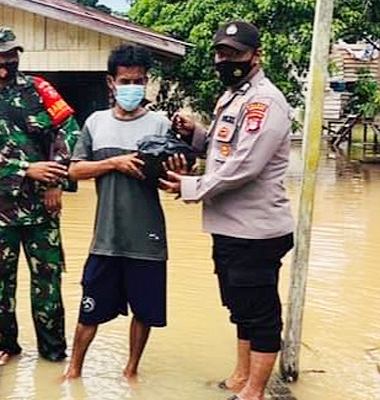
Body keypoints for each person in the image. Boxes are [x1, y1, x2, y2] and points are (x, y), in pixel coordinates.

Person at [160, 21, 295, 400]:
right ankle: (240, 376)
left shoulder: (264, 102)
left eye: (234, 54)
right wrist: (197, 134)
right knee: (240, 307)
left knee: (260, 313)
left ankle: (254, 391)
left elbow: (246, 166)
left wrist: (191, 187)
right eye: (221, 53)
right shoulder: (231, 97)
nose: (225, 60)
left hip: (256, 230)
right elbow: (225, 150)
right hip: (231, 227)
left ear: (256, 55)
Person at [0, 26, 80, 366]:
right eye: (3, 55)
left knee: (49, 282)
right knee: (1, 281)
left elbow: (68, 132)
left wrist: (56, 180)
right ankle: (5, 347)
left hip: (44, 206)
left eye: (14, 54)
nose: (10, 61)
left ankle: (54, 354)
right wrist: (26, 169)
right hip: (0, 211)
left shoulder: (41, 91)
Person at [63, 44, 171, 381]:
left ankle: (131, 371)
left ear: (146, 82)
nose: (131, 88)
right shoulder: (96, 123)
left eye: (138, 81)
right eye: (125, 81)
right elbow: (74, 170)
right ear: (111, 82)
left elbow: (174, 178)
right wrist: (114, 163)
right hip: (106, 238)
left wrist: (174, 171)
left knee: (145, 311)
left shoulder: (160, 124)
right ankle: (73, 372)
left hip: (148, 237)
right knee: (89, 310)